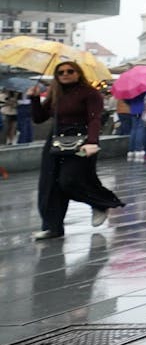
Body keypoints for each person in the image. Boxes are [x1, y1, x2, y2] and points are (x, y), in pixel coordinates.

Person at [29, 60, 125, 239]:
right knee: (49, 185)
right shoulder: (55, 93)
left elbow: (95, 119)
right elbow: (39, 118)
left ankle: (100, 203)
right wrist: (34, 99)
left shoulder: (90, 93)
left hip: (82, 141)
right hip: (56, 141)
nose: (65, 74)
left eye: (70, 71)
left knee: (70, 180)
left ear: (78, 73)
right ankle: (52, 227)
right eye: (61, 72)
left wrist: (92, 142)